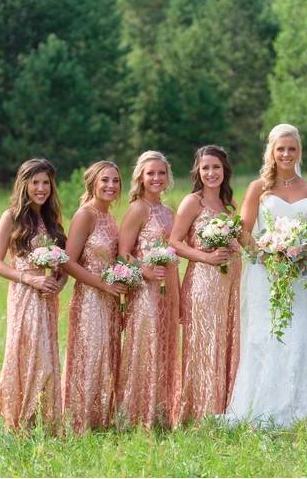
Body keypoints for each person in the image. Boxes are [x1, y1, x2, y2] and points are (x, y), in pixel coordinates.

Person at [225, 124, 307, 428]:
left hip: (298, 275)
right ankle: (260, 405)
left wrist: (297, 258)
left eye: (291, 149)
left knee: (296, 335)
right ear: (271, 151)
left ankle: (297, 407)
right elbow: (243, 231)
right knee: (265, 335)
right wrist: (267, 256)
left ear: (299, 152)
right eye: (280, 149)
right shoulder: (258, 188)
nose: (286, 154)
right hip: (263, 275)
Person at [0, 158, 67, 432]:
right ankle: (19, 420)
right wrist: (28, 278)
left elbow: (64, 262)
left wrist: (60, 281)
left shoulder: (52, 218)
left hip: (47, 297)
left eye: (46, 183)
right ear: (24, 185)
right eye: (35, 183)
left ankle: (43, 420)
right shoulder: (10, 217)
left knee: (47, 355)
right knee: (28, 352)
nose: (41, 188)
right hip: (24, 293)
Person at [170, 145, 241, 423]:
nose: (211, 173)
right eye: (206, 168)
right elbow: (174, 242)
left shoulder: (228, 205)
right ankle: (199, 411)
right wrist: (206, 257)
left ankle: (224, 408)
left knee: (225, 340)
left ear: (225, 171)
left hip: (231, 283)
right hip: (203, 281)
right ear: (198, 172)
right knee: (204, 342)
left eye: (216, 167)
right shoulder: (193, 202)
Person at [116, 151, 180, 429]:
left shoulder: (168, 212)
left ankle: (160, 413)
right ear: (140, 177)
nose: (156, 178)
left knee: (164, 347)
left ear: (168, 177)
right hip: (144, 291)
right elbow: (122, 253)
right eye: (150, 173)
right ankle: (135, 414)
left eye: (161, 173)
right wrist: (144, 269)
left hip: (168, 290)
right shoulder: (138, 209)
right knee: (145, 346)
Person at [63, 161, 126, 433]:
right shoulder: (85, 215)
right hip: (90, 297)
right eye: (105, 180)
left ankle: (102, 419)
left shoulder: (110, 217)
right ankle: (81, 422)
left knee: (107, 356)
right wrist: (102, 285)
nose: (110, 186)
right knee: (90, 355)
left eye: (115, 180)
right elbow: (67, 261)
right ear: (92, 183)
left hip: (110, 298)